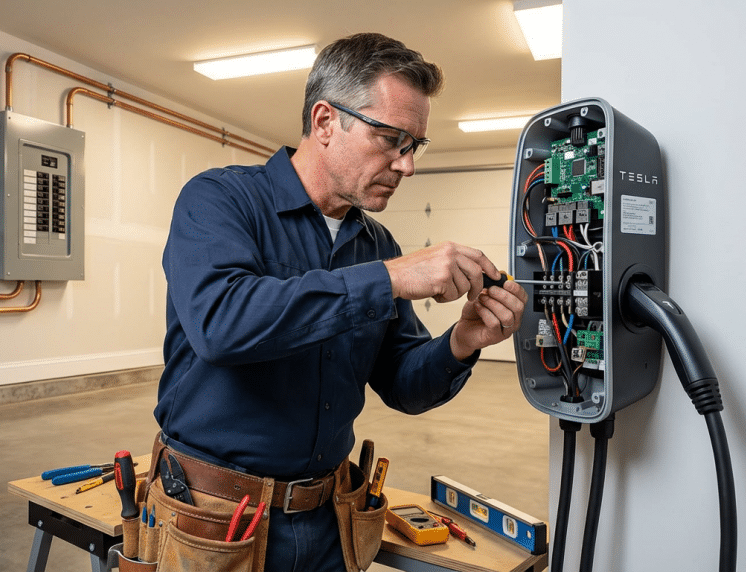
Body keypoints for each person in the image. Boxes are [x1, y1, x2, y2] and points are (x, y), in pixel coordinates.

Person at [155, 32, 528, 571]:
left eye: (414, 145)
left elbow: (403, 383)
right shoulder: (220, 199)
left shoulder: (376, 245)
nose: (406, 166)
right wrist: (386, 279)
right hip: (214, 519)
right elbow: (221, 324)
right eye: (390, 139)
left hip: (330, 519)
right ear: (325, 121)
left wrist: (464, 340)